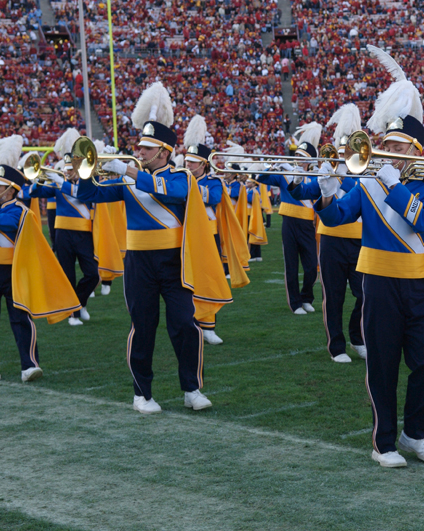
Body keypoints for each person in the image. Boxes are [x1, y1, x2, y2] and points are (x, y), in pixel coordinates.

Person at [315, 45, 424, 468]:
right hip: (378, 283)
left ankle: (414, 433)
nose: (389, 151)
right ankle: (383, 443)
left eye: (399, 146)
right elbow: (336, 218)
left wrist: (394, 184)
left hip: (418, 286)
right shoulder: (368, 183)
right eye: (386, 143)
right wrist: (328, 190)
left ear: (416, 152)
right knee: (384, 367)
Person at [63, 82, 218, 414]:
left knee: (185, 325)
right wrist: (86, 172)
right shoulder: (128, 179)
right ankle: (141, 394)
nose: (140, 151)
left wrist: (130, 171)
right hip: (139, 263)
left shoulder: (181, 177)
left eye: (147, 149)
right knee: (143, 327)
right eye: (140, 147)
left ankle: (192, 389)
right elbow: (88, 197)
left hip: (174, 262)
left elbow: (171, 193)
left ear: (163, 152)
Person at [0, 136, 81, 383]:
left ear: (10, 190)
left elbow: (5, 224)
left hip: (15, 271)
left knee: (20, 318)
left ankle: (29, 364)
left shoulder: (19, 210)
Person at [289, 103, 366, 363]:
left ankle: (357, 336)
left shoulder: (363, 173)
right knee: (333, 295)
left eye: (349, 150)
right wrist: (300, 177)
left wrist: (343, 177)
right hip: (332, 239)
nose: (344, 154)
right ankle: (337, 346)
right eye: (342, 150)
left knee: (364, 294)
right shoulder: (327, 170)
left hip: (359, 240)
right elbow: (301, 193)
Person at [184, 115, 250, 345]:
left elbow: (211, 198)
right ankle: (188, 323)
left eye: (193, 162)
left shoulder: (213, 182)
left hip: (207, 236)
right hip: (183, 237)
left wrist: (186, 186)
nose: (188, 165)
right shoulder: (181, 179)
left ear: (203, 164)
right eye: (187, 161)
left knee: (208, 278)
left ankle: (208, 326)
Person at [29, 128, 99, 326]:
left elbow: (80, 195)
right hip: (63, 234)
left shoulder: (89, 183)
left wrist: (60, 182)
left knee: (92, 274)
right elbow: (34, 193)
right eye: (67, 169)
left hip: (84, 233)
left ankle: (80, 303)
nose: (68, 172)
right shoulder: (59, 184)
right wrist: (38, 179)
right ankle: (72, 314)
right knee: (68, 274)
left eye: (72, 169)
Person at [255, 123, 320, 315]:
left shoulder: (316, 176)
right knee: (291, 265)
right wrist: (271, 166)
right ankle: (295, 303)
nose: (299, 160)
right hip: (289, 223)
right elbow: (261, 178)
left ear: (310, 161)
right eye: (297, 156)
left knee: (311, 267)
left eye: (303, 158)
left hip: (308, 224)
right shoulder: (284, 173)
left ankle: (307, 297)